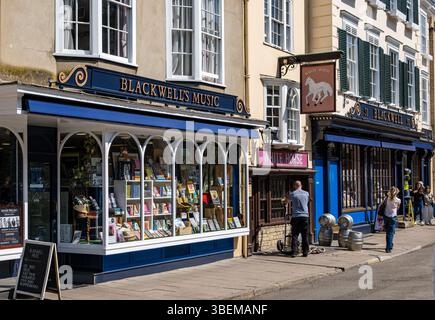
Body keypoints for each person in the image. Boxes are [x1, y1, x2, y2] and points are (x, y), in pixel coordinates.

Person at [287, 181, 310, 258]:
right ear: (301, 185)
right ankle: (305, 252)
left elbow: (286, 201)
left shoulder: (293, 194)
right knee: (305, 235)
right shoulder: (306, 193)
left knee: (295, 235)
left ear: (294, 186)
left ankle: (294, 252)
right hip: (305, 216)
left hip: (296, 216)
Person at [384, 187, 401, 253]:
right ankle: (388, 248)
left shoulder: (387, 198)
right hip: (393, 217)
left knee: (389, 232)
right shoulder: (398, 200)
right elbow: (398, 208)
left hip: (386, 216)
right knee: (390, 233)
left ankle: (390, 244)